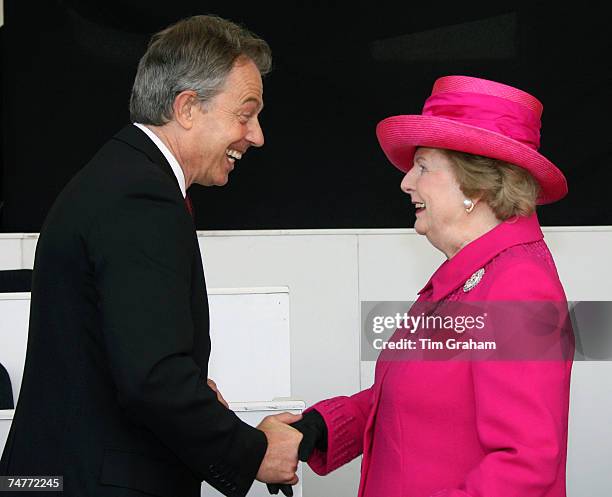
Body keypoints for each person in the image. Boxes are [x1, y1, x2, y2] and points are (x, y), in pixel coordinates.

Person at [0, 15, 303, 497]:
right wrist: (252, 453)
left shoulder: (123, 177)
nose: (257, 135)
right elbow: (152, 380)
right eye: (245, 114)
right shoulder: (141, 197)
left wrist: (188, 393)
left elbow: (123, 357)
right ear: (187, 108)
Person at [294, 76, 574, 496]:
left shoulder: (519, 287)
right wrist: (321, 429)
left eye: (422, 166)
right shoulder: (466, 277)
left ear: (474, 184)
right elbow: (415, 399)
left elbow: (524, 464)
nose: (407, 182)